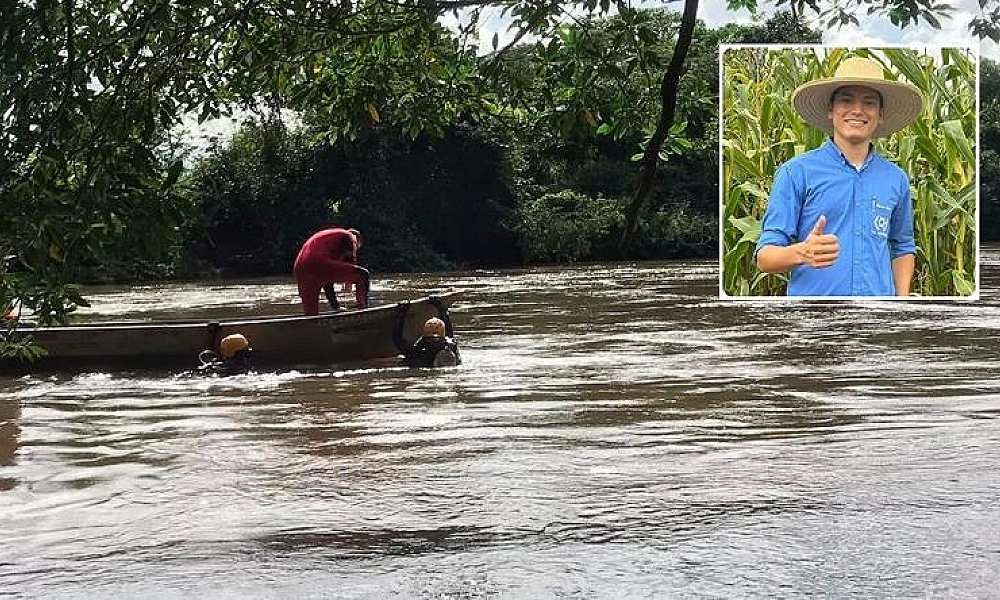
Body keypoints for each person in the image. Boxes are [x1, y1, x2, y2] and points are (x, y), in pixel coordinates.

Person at [754, 55, 923, 296]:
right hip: (814, 319)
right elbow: (765, 257)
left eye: (869, 103)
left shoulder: (896, 179)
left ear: (881, 114)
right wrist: (802, 252)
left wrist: (902, 300)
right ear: (830, 110)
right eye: (846, 100)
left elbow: (903, 246)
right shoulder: (796, 172)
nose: (857, 110)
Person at [293, 227, 371, 315]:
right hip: (318, 261)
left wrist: (336, 307)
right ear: (358, 239)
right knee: (363, 275)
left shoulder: (330, 238)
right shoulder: (350, 236)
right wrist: (348, 282)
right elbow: (350, 259)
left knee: (311, 313)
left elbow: (327, 281)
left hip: (300, 267)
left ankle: (311, 322)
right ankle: (364, 310)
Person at [393, 301, 461, 368]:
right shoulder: (450, 346)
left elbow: (398, 339)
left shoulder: (417, 352)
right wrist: (441, 308)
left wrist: (401, 313)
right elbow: (449, 333)